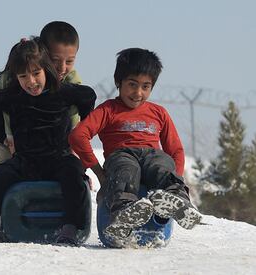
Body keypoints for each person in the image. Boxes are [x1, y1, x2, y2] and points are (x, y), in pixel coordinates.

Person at [0, 38, 96, 245]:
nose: (31, 81)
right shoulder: (14, 96)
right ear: (15, 77)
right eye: (23, 76)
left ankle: (70, 227)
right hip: (25, 161)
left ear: (46, 69)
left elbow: (88, 96)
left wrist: (82, 131)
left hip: (58, 158)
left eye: (36, 73)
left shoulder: (61, 91)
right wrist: (3, 136)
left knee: (74, 175)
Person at [68, 48, 202, 244]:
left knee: (162, 163)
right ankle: (123, 213)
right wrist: (99, 172)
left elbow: (175, 150)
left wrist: (178, 177)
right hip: (122, 155)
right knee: (126, 169)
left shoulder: (159, 113)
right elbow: (78, 136)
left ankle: (176, 199)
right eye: (132, 84)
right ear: (118, 82)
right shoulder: (108, 110)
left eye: (145, 86)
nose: (138, 93)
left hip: (151, 155)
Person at [0, 21, 82, 176]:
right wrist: (8, 136)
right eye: (55, 60)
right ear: (42, 54)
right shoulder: (15, 76)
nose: (62, 67)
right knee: (3, 163)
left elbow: (74, 112)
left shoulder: (70, 79)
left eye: (69, 61)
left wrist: (74, 146)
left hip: (48, 133)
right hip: (6, 127)